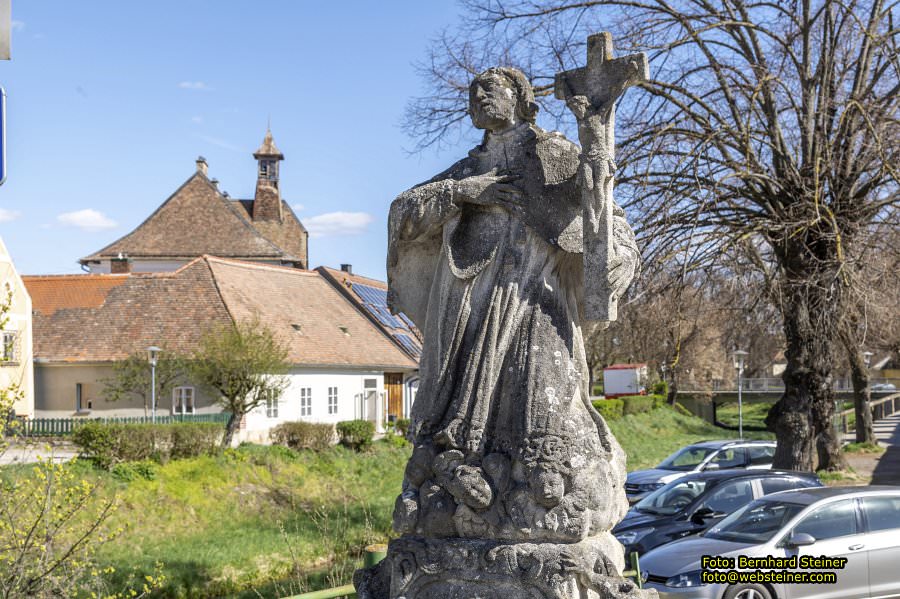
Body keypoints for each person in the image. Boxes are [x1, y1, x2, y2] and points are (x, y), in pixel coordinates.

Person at [387, 67, 640, 543]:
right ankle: (462, 489)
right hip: (467, 314)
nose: (479, 96)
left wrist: (613, 255)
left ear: (523, 100)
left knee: (548, 407)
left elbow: (605, 216)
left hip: (533, 305)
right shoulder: (467, 169)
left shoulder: (554, 155)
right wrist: (465, 193)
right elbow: (403, 211)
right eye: (473, 91)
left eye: (492, 88)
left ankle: (548, 499)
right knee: (458, 426)